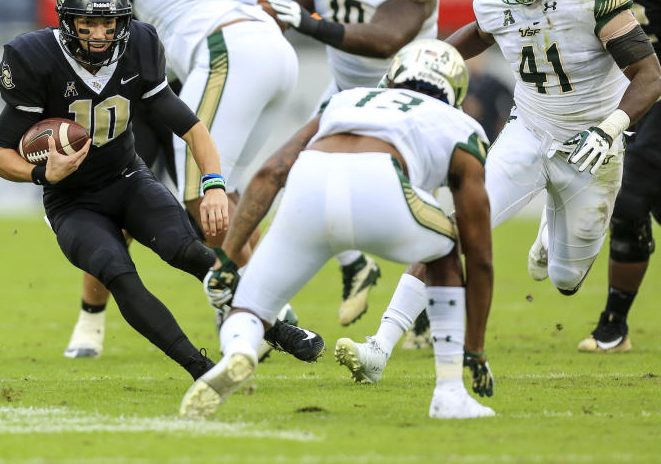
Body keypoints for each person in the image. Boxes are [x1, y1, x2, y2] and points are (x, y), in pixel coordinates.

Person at [340, 0, 661, 383]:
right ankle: (379, 347)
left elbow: (650, 76)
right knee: (452, 230)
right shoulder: (494, 0)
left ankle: (552, 231)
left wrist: (609, 128)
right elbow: (478, 32)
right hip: (528, 131)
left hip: (594, 146)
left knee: (566, 281)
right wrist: (429, 61)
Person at [0, 0, 322, 380]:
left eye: (107, 23)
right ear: (66, 21)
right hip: (71, 202)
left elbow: (192, 127)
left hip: (128, 180)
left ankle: (281, 331)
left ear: (122, 23)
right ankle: (203, 370)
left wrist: (214, 185)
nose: (97, 34)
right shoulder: (33, 58)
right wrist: (42, 175)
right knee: (117, 271)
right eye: (87, 23)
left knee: (194, 254)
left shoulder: (139, 45)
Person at [183, 40, 495, 420]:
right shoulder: (461, 125)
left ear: (394, 75)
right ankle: (450, 393)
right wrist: (475, 349)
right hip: (383, 187)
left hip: (308, 185)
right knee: (446, 245)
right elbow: (479, 255)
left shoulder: (349, 100)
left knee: (251, 304)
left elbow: (271, 172)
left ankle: (240, 351)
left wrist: (228, 259)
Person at [63, 0, 263, 360]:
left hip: (198, 76)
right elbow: (88, 26)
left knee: (218, 194)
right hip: (133, 90)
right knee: (115, 206)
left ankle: (254, 304)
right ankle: (91, 318)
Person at [265, 0, 446, 338]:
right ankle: (355, 265)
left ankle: (421, 306)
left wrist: (307, 22)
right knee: (304, 174)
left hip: (409, 96)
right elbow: (287, 5)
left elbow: (385, 39)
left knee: (413, 205)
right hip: (346, 91)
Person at [579, 0, 661, 353]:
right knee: (636, 206)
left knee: (628, 201)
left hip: (659, 91)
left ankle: (613, 324)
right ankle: (616, 325)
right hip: (623, 92)